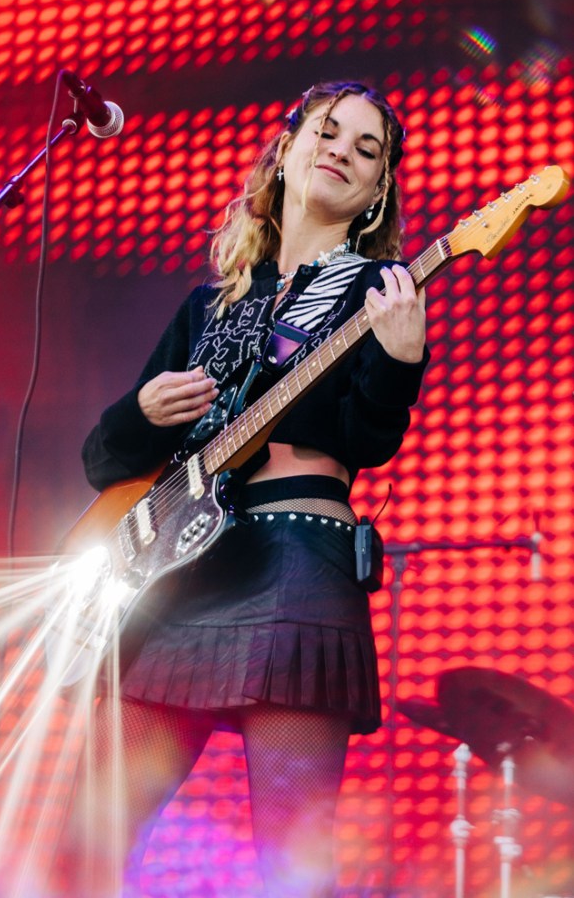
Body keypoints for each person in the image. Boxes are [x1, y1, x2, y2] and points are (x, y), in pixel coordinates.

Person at [68, 80, 429, 897]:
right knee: (85, 847)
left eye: (367, 149)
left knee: (290, 866)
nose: (341, 151)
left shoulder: (379, 290)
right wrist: (142, 411)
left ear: (377, 192)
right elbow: (102, 462)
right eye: (327, 132)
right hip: (180, 575)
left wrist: (399, 366)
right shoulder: (208, 306)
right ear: (287, 149)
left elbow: (369, 440)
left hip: (296, 563)